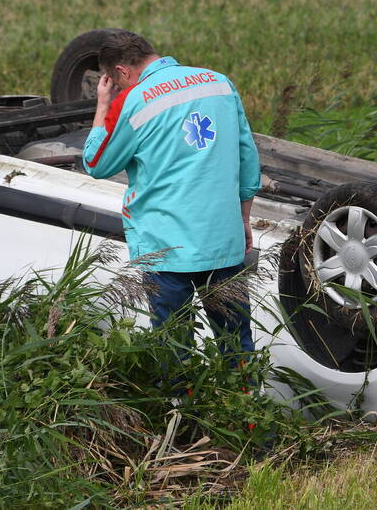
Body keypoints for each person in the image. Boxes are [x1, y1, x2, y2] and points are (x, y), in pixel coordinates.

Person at [81, 29, 261, 364]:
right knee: (237, 345)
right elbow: (247, 158)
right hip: (222, 238)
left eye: (116, 82)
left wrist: (103, 104)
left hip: (166, 248)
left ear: (121, 72)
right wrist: (243, 219)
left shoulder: (132, 100)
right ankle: (244, 409)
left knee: (173, 347)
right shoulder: (218, 82)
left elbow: (95, 163)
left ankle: (180, 410)